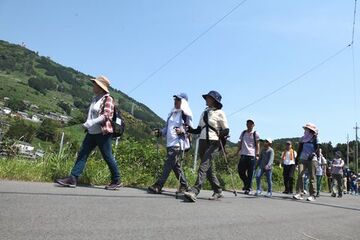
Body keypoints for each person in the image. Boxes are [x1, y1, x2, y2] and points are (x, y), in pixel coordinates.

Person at [56, 76, 121, 190]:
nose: (93, 86)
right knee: (83, 154)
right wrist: (88, 122)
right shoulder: (95, 98)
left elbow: (107, 116)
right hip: (91, 133)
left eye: (95, 84)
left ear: (100, 87)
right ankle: (73, 178)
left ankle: (116, 180)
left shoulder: (108, 99)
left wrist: (91, 122)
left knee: (107, 156)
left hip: (103, 133)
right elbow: (92, 114)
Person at [183, 90, 229, 202]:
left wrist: (221, 133)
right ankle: (218, 190)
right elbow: (198, 129)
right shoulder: (204, 113)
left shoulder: (220, 113)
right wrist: (190, 129)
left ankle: (194, 191)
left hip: (214, 142)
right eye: (207, 97)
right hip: (202, 141)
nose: (206, 99)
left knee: (203, 166)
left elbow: (226, 130)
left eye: (209, 98)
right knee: (209, 170)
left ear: (214, 100)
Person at [147, 93, 192, 194]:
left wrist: (182, 130)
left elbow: (189, 128)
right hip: (170, 143)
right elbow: (167, 128)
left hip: (178, 143)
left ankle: (158, 185)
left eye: (178, 100)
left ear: (183, 102)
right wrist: (160, 132)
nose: (175, 102)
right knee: (175, 166)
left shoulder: (185, 114)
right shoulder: (172, 113)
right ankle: (184, 185)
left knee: (168, 164)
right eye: (175, 100)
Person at [293, 123, 320, 201]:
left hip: (312, 159)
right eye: (305, 129)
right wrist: (296, 158)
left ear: (311, 130)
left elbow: (317, 148)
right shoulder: (302, 138)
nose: (305, 130)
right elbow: (300, 149)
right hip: (302, 158)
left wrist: (314, 154)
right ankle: (299, 193)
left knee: (312, 177)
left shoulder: (315, 138)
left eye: (307, 129)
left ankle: (313, 195)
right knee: (300, 175)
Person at [234, 119, 260, 194]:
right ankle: (247, 184)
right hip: (243, 154)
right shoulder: (243, 133)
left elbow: (258, 144)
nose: (249, 125)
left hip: (252, 155)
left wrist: (257, 154)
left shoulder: (255, 133)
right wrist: (236, 152)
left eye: (251, 123)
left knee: (250, 173)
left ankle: (248, 188)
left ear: (253, 125)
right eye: (248, 123)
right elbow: (240, 143)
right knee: (240, 171)